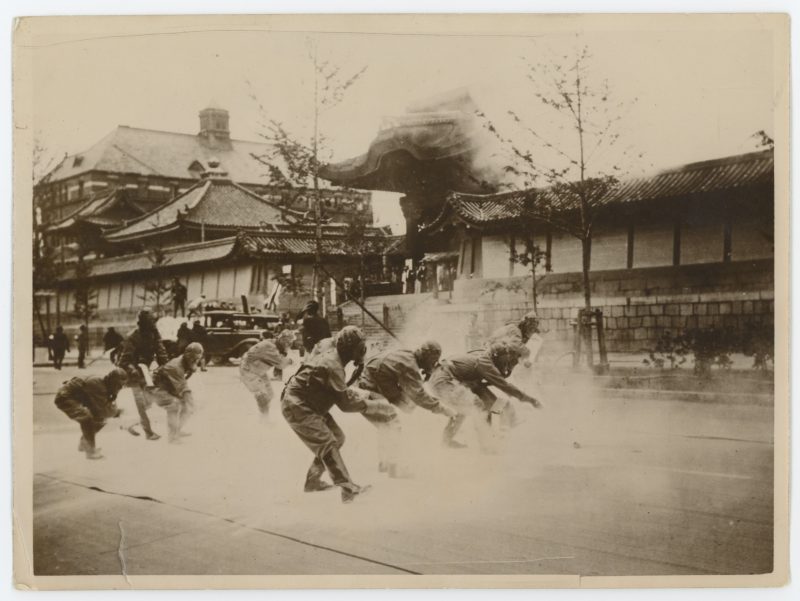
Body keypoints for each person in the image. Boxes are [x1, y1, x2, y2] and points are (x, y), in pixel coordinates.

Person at [280, 326, 377, 503]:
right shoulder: (334, 365)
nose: (362, 350)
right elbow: (346, 405)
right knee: (327, 442)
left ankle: (313, 482)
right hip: (298, 404)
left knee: (337, 437)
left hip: (309, 402)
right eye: (359, 347)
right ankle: (348, 489)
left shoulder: (331, 347)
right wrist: (371, 405)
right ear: (350, 348)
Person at [355, 341, 457, 478]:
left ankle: (385, 463)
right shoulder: (410, 365)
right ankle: (395, 469)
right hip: (367, 389)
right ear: (425, 356)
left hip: (368, 386)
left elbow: (406, 395)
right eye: (432, 360)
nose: (433, 364)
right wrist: (443, 409)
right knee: (392, 424)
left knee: (385, 424)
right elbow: (418, 395)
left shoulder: (407, 355)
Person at [430, 341, 542, 451]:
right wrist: (531, 400)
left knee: (471, 405)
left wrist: (503, 409)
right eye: (512, 360)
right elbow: (504, 385)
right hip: (443, 380)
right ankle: (486, 444)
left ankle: (447, 442)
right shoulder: (485, 363)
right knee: (475, 405)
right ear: (504, 355)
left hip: (448, 379)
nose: (512, 364)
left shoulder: (483, 359)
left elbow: (488, 394)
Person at [117, 308, 169, 440]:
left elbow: (161, 351)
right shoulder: (133, 337)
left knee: (148, 402)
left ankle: (129, 423)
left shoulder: (154, 334)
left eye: (154, 320)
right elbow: (123, 361)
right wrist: (134, 370)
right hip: (133, 375)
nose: (154, 323)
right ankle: (148, 432)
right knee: (140, 404)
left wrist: (167, 366)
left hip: (146, 374)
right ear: (144, 322)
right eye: (151, 320)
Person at [54, 367, 127, 460]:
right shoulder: (98, 385)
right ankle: (90, 451)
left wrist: (114, 409)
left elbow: (104, 409)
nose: (119, 388)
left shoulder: (105, 385)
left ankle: (84, 443)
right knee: (86, 416)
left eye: (122, 386)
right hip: (65, 398)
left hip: (76, 398)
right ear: (112, 381)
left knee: (99, 419)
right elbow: (102, 410)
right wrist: (116, 412)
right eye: (118, 385)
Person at [149, 343, 203, 443]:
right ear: (187, 356)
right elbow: (183, 387)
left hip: (170, 386)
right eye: (193, 359)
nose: (195, 361)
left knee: (186, 407)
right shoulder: (176, 367)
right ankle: (172, 437)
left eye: (197, 359)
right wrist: (191, 402)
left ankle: (177, 430)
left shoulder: (186, 361)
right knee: (174, 405)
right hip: (156, 388)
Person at [239, 330, 295, 417]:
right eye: (287, 342)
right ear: (281, 339)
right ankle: (264, 420)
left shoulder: (273, 344)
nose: (289, 345)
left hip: (259, 370)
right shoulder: (269, 346)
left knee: (269, 395)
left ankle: (264, 416)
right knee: (262, 396)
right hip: (249, 371)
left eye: (290, 343)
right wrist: (291, 361)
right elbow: (281, 364)